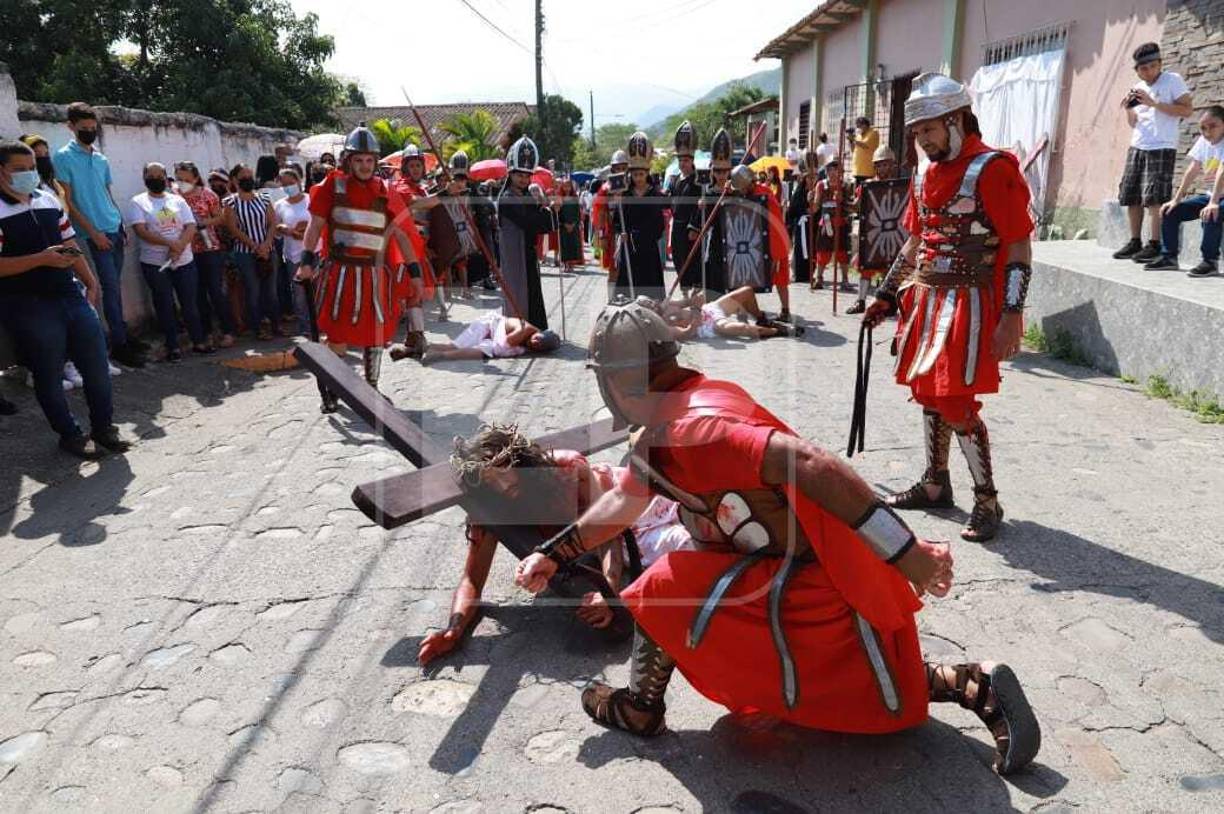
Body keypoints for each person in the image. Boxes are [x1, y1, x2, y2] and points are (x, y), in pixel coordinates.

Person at [514, 300, 1040, 776]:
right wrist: (552, 551)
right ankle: (976, 683)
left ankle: (640, 706)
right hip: (799, 574)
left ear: (617, 381)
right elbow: (624, 501)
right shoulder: (680, 406)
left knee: (664, 586)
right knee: (861, 686)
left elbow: (809, 460)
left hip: (813, 584)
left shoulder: (696, 427)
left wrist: (910, 553)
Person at [863, 72, 1035, 543]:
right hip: (927, 299)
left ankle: (987, 498)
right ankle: (936, 484)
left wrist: (1012, 312)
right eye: (917, 133)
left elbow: (1018, 245)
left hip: (971, 303)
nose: (922, 140)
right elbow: (917, 241)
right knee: (928, 395)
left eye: (929, 130)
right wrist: (884, 293)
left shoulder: (994, 168)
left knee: (956, 402)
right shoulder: (923, 173)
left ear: (956, 120)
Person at [418, 424, 696, 665]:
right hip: (631, 543)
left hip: (631, 507)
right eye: (492, 482)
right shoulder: (490, 511)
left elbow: (607, 532)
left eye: (504, 471)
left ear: (520, 461)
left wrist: (609, 590)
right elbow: (472, 580)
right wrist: (454, 629)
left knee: (708, 526)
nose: (503, 486)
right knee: (690, 550)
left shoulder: (564, 470)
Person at [0, 140, 130, 458]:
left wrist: (90, 281)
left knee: (96, 363)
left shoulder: (47, 198)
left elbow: (69, 242)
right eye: (20, 170)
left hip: (69, 293)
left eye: (32, 168)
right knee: (49, 372)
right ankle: (70, 434)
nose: (30, 174)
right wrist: (41, 259)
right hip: (27, 302)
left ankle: (104, 428)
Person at [295, 123, 425, 410]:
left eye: (369, 160)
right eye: (359, 160)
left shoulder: (385, 191)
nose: (365, 166)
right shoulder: (332, 185)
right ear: (348, 160)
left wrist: (415, 274)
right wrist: (306, 260)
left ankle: (372, 387)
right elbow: (316, 225)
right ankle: (333, 386)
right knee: (338, 335)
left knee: (375, 332)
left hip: (375, 274)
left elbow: (402, 235)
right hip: (340, 272)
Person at [52, 102, 145, 368]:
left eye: (93, 128)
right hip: (93, 233)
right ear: (71, 127)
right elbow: (67, 202)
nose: (90, 132)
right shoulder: (63, 158)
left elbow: (107, 193)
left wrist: (120, 225)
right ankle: (119, 343)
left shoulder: (100, 157)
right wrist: (93, 233)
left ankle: (122, 334)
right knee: (107, 287)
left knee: (114, 287)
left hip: (113, 227)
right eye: (84, 129)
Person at [691, 131, 792, 319]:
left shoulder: (764, 196)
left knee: (780, 278)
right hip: (746, 242)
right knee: (745, 275)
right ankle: (744, 308)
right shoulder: (740, 193)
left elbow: (775, 224)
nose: (742, 191)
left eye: (743, 187)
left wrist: (776, 253)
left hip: (773, 242)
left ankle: (785, 310)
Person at [1112, 43, 1194, 264]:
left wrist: (1154, 103)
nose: (1148, 71)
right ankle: (1135, 241)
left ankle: (1155, 244)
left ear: (1160, 64)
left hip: (1162, 145)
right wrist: (1129, 109)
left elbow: (1187, 110)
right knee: (1132, 195)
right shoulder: (1137, 86)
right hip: (1138, 145)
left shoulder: (1172, 80)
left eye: (1152, 66)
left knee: (1155, 197)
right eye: (1143, 68)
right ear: (1137, 70)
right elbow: (1134, 123)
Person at [128, 162, 209, 360]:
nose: (156, 178)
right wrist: (170, 244)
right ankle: (172, 346)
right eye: (151, 174)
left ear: (166, 177)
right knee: (164, 305)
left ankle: (198, 341)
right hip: (156, 263)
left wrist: (180, 246)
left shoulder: (177, 200)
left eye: (160, 175)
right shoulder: (138, 202)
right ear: (145, 177)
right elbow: (141, 230)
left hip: (184, 261)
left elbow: (190, 226)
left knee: (189, 303)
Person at [1146, 105, 1224, 277]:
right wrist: (1176, 199)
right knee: (1170, 211)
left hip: (1217, 199)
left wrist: (1213, 203)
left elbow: (1222, 172)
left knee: (1211, 213)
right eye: (1203, 127)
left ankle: (1210, 262)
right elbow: (1193, 169)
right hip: (1213, 197)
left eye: (1213, 126)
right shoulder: (1203, 142)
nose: (1207, 131)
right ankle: (1169, 257)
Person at [174, 162, 235, 349]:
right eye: (179, 179)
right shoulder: (173, 197)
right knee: (197, 294)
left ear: (195, 178)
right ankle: (206, 332)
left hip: (210, 248)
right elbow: (165, 218)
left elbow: (220, 217)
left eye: (187, 179)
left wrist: (203, 222)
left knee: (216, 291)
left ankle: (227, 330)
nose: (183, 183)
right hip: (187, 251)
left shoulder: (208, 195)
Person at [498, 136, 553, 329]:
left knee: (532, 291)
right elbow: (529, 222)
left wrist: (549, 210)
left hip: (528, 251)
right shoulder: (507, 198)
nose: (523, 179)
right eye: (519, 175)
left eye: (527, 175)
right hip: (514, 254)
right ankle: (518, 330)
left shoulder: (528, 195)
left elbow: (543, 224)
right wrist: (545, 212)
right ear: (511, 174)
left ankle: (535, 328)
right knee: (518, 291)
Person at [847, 145, 908, 314]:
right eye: (880, 165)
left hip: (893, 236)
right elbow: (857, 207)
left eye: (886, 164)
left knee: (891, 270)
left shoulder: (900, 187)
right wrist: (843, 203)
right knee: (866, 268)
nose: (883, 168)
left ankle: (887, 303)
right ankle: (860, 301)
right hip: (873, 235)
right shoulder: (868, 185)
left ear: (892, 165)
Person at [223, 164, 279, 339]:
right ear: (234, 180)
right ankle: (258, 328)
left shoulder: (264, 197)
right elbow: (233, 229)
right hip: (246, 253)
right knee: (253, 291)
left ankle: (276, 325)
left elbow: (272, 222)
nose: (248, 178)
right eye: (243, 176)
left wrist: (267, 243)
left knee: (271, 290)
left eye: (250, 175)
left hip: (268, 250)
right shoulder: (230, 202)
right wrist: (255, 246)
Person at [611, 133, 668, 300]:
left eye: (641, 175)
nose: (638, 178)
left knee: (650, 289)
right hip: (629, 247)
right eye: (635, 175)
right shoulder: (625, 194)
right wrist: (621, 231)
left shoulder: (655, 195)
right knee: (628, 289)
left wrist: (641, 235)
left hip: (648, 247)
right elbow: (618, 220)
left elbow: (658, 224)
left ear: (647, 173)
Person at [406, 312, 561, 365]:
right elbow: (507, 343)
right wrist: (521, 333)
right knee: (454, 347)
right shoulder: (525, 328)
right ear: (537, 333)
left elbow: (503, 347)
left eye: (539, 345)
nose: (535, 343)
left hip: (492, 340)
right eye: (537, 339)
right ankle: (422, 347)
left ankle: (437, 355)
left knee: (478, 352)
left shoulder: (530, 343)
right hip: (486, 327)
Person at [655, 287, 803, 341]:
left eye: (651, 302)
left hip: (711, 308)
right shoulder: (663, 326)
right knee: (743, 329)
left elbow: (686, 302)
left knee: (747, 291)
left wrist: (696, 299)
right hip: (710, 326)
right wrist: (696, 310)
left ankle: (761, 319)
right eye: (650, 305)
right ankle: (779, 331)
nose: (652, 303)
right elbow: (687, 333)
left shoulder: (666, 305)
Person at [273, 167, 313, 334]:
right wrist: (285, 229)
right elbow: (274, 227)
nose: (289, 186)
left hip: (313, 251)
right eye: (285, 184)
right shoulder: (279, 205)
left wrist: (305, 230)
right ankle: (306, 327)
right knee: (299, 294)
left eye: (292, 183)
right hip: (293, 254)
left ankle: (323, 325)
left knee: (318, 290)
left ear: (299, 181)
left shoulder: (311, 199)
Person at [666, 121, 702, 292]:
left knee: (692, 260)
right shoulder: (673, 180)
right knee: (679, 260)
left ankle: (695, 292)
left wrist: (694, 227)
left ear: (692, 160)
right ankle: (684, 292)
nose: (683, 163)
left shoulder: (698, 181)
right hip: (677, 226)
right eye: (680, 160)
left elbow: (699, 206)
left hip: (690, 227)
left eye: (686, 160)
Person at [811, 156, 853, 292]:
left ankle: (845, 280)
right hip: (826, 223)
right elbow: (815, 208)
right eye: (830, 169)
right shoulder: (821, 185)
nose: (833, 172)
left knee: (842, 253)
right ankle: (819, 278)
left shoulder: (845, 185)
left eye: (836, 169)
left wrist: (842, 201)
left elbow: (851, 208)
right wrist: (811, 200)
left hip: (841, 223)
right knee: (823, 252)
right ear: (827, 171)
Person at [591, 149, 629, 280]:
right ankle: (612, 296)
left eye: (624, 167)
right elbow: (600, 213)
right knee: (615, 265)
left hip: (630, 231)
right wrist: (602, 236)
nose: (621, 170)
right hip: (613, 232)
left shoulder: (632, 185)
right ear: (613, 168)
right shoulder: (606, 189)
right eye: (618, 168)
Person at [786, 151, 818, 285]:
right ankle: (799, 274)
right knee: (800, 250)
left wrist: (813, 204)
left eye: (813, 177)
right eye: (809, 178)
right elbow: (792, 210)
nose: (811, 180)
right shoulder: (799, 192)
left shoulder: (818, 189)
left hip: (814, 224)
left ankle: (810, 273)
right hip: (801, 226)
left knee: (813, 249)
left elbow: (818, 208)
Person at [556, 176, 584, 272]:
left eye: (569, 186)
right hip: (563, 226)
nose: (567, 188)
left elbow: (577, 212)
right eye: (565, 186)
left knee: (573, 244)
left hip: (574, 225)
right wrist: (564, 224)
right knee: (564, 245)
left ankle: (571, 264)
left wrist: (574, 224)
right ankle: (565, 264)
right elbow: (558, 213)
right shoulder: (560, 198)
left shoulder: (575, 198)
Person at [852, 117, 881, 184]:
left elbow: (865, 145)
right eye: (857, 127)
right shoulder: (859, 135)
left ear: (865, 125)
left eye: (859, 126)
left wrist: (853, 140)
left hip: (867, 170)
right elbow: (853, 149)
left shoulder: (873, 133)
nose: (858, 128)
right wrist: (851, 141)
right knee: (857, 192)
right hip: (857, 169)